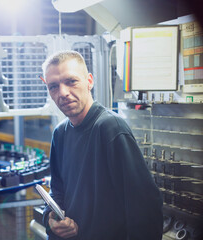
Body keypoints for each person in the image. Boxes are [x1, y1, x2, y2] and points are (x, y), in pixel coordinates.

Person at [41, 50, 163, 239]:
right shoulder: (59, 133)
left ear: (89, 81)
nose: (63, 93)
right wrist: (52, 220)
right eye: (53, 86)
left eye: (71, 81)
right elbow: (57, 192)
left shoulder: (110, 128)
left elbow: (145, 207)